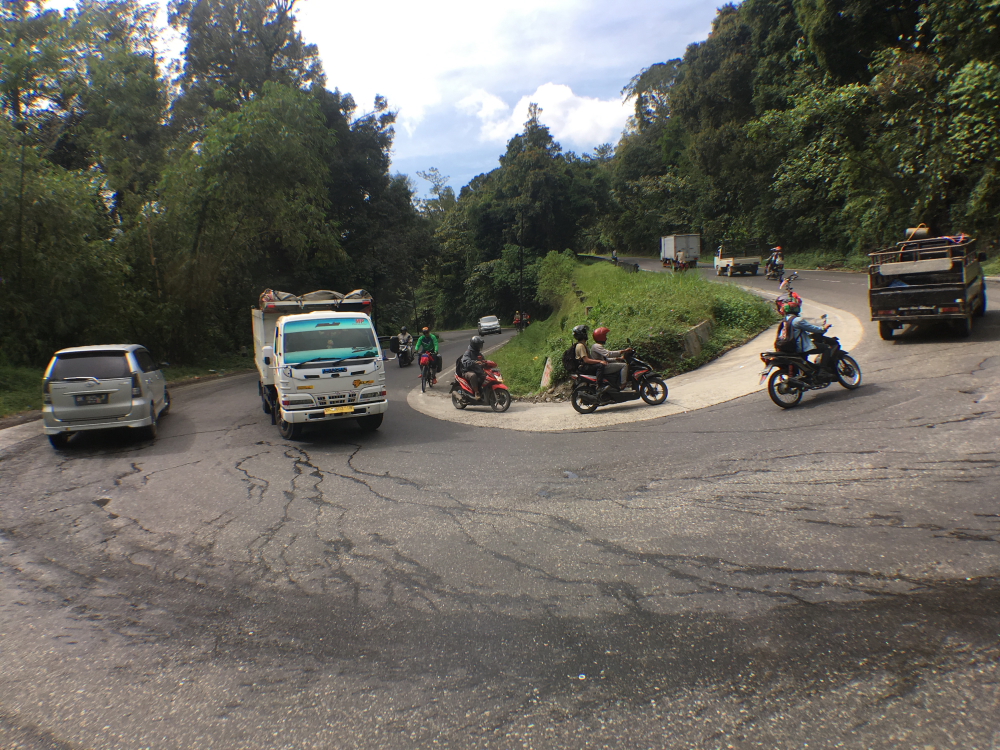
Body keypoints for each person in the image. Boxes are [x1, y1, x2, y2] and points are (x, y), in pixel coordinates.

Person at [783, 300, 833, 375]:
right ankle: (823, 370)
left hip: (789, 346)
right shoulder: (797, 320)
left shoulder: (785, 320)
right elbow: (812, 328)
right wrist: (823, 328)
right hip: (799, 347)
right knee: (827, 348)